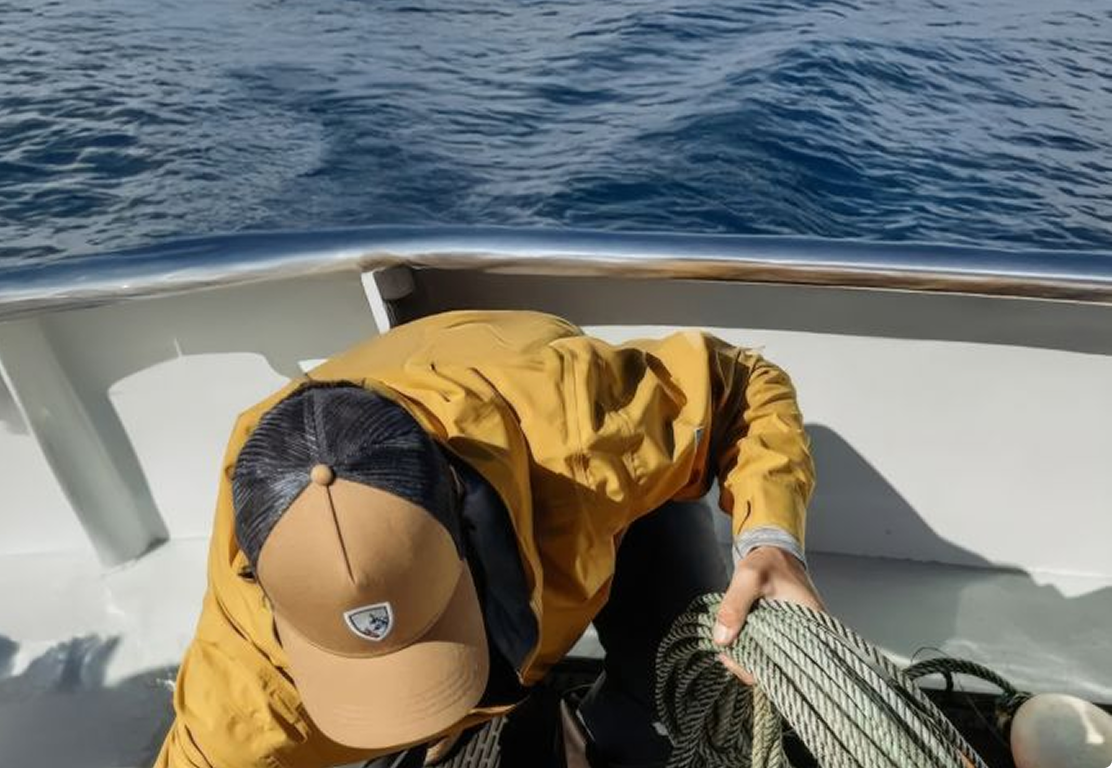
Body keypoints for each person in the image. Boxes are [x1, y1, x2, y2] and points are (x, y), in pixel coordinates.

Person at [156, 310, 824, 768]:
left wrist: (769, 542)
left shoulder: (583, 437)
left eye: (428, 634)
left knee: (692, 705)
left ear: (468, 523)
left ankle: (589, 726)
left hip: (546, 450)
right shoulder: (243, 684)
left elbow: (740, 383)